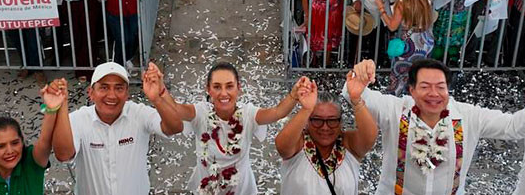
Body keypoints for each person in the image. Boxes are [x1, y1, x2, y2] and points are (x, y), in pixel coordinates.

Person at [345, 58, 525, 194]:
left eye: (440, 87)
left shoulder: (469, 116)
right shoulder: (395, 110)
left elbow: (514, 127)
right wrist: (360, 73)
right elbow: (353, 92)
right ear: (411, 90)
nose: (433, 94)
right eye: (425, 87)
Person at [163, 62, 306, 194]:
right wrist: (160, 93)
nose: (224, 93)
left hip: (241, 189)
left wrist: (294, 95)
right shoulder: (201, 113)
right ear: (208, 89)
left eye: (229, 86)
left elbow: (276, 113)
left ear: (239, 88)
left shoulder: (248, 114)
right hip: (207, 189)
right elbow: (175, 109)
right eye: (217, 87)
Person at [51, 62, 183, 194]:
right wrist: (62, 106)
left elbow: (175, 127)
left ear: (127, 94)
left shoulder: (139, 113)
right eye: (104, 88)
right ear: (91, 93)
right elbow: (63, 155)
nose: (112, 95)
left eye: (119, 88)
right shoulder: (78, 119)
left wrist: (157, 99)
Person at [276, 78, 377, 194]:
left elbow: (369, 137)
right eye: (317, 120)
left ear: (340, 122)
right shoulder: (298, 144)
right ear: (307, 121)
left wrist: (356, 100)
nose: (325, 127)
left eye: (332, 120)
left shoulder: (348, 144)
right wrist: (306, 109)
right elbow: (282, 146)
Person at [377, 0, 436, 95]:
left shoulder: (402, 2)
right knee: (418, 77)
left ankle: (396, 106)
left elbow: (392, 26)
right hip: (426, 41)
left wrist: (381, 9)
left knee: (399, 77)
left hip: (409, 44)